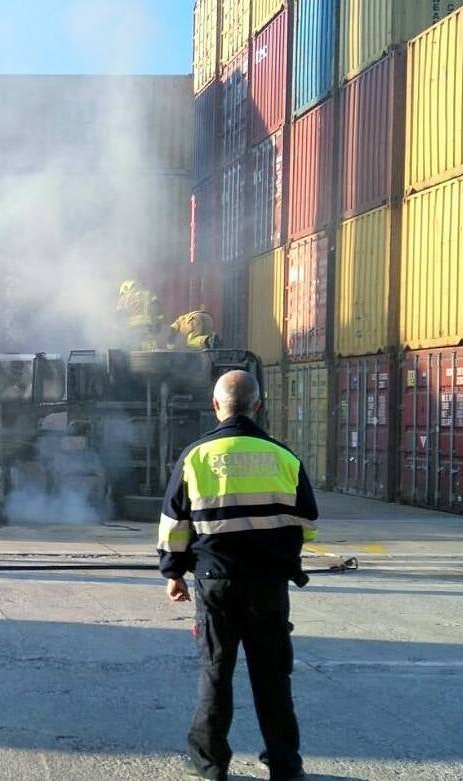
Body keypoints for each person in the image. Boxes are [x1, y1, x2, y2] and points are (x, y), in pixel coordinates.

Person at [158, 370, 316, 781]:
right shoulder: (284, 457)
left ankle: (210, 765)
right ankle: (285, 765)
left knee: (216, 673)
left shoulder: (196, 456)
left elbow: (174, 523)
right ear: (257, 406)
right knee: (273, 678)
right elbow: (307, 523)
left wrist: (173, 572)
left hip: (215, 581)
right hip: (268, 584)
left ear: (215, 406)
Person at [117, 279, 164, 350]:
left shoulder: (123, 298)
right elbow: (158, 308)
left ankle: (136, 358)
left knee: (133, 347)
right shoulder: (148, 294)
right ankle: (151, 358)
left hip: (131, 326)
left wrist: (119, 329)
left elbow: (119, 314)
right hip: (146, 324)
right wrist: (159, 324)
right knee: (149, 343)